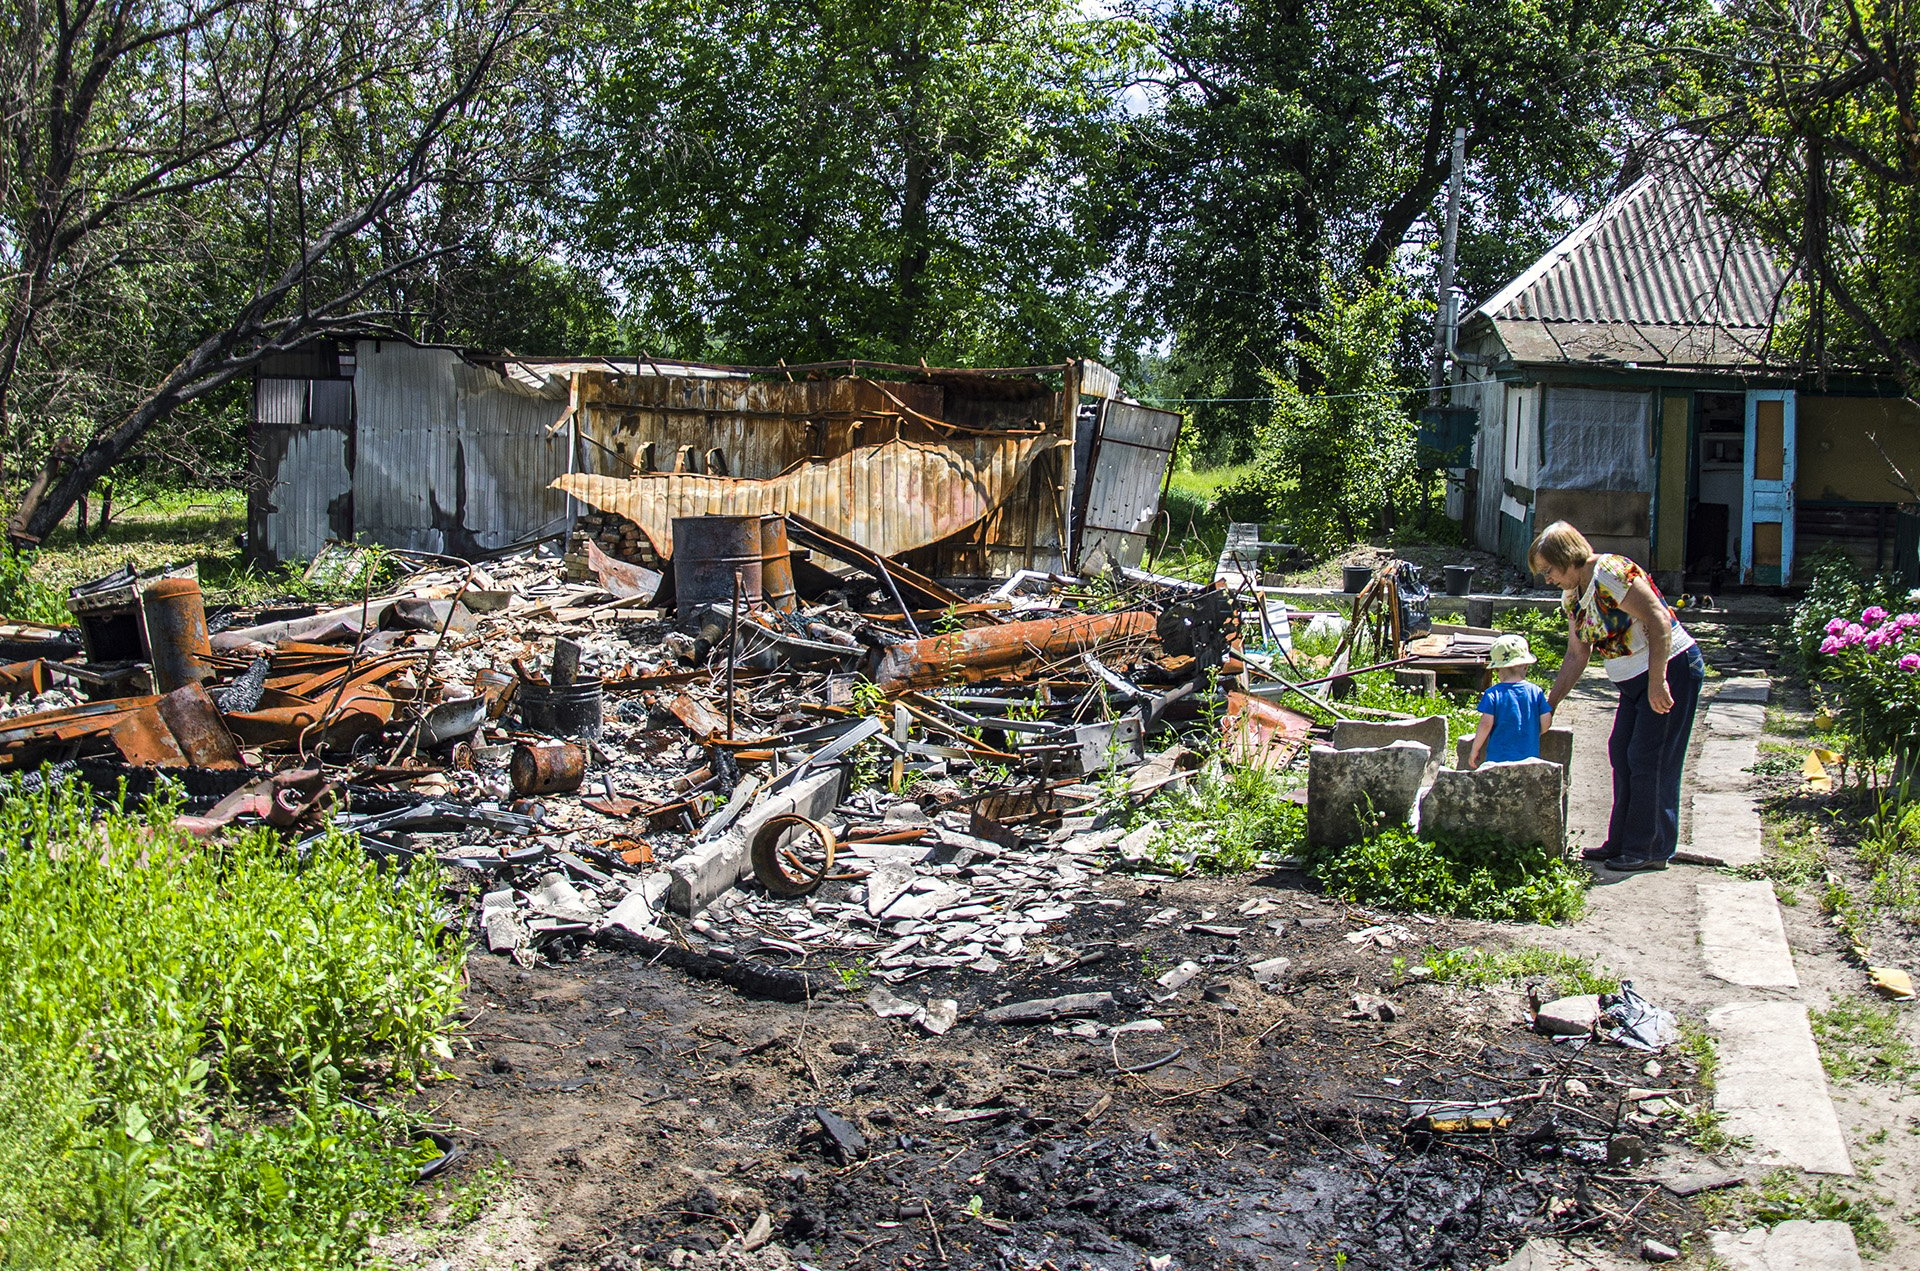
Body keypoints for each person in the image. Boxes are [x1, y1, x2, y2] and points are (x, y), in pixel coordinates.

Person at [1531, 520, 1706, 871]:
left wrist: (1659, 680)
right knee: (1621, 751)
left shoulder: (1609, 571)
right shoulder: (1573, 594)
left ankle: (1649, 849)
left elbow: (1658, 619)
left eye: (1548, 570)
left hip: (1670, 668)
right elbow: (1577, 655)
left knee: (1648, 757)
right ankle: (1622, 842)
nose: (1547, 579)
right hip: (1633, 681)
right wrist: (1549, 706)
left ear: (1567, 557)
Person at [1468, 633, 1552, 768]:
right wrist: (1532, 732)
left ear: (1496, 669)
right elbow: (1546, 722)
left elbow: (1485, 724)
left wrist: (1475, 749)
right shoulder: (1536, 692)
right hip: (1529, 760)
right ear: (1525, 666)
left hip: (1498, 760)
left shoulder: (1493, 694)